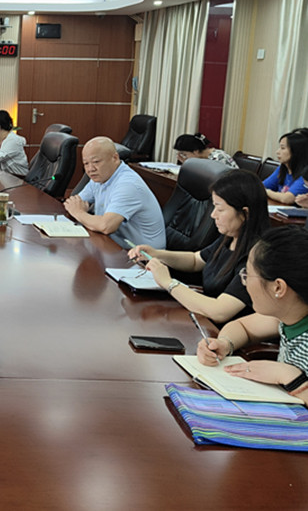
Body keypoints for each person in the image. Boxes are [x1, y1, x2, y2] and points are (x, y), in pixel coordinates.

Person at [128, 169, 269, 323]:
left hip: (221, 331)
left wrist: (168, 283)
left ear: (245, 213)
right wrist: (157, 254)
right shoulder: (231, 237)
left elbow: (220, 311)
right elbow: (196, 260)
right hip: (201, 319)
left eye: (220, 209)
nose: (213, 215)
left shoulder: (258, 256)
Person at [196, 226, 308, 403]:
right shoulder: (288, 315)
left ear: (278, 287)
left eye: (248, 274)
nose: (245, 282)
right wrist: (224, 343)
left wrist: (289, 376)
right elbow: (243, 327)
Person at [64, 136, 166, 248]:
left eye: (96, 162)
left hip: (143, 254)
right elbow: (73, 203)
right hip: (114, 244)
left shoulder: (128, 184)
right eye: (86, 163)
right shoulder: (99, 178)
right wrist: (77, 209)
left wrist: (79, 213)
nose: (90, 169)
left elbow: (106, 226)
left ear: (115, 158)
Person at [263, 130, 308, 205]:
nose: (277, 152)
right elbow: (261, 186)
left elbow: (287, 198)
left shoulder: (305, 174)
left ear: (296, 151)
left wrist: (266, 191)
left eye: (283, 148)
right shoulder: (282, 168)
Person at [173, 133, 237, 168]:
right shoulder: (203, 158)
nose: (185, 157)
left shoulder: (218, 158)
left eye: (185, 155)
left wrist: (188, 164)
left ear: (196, 151)